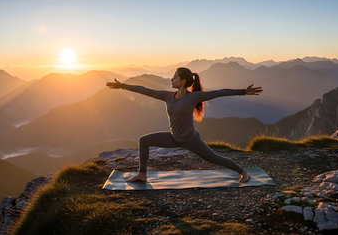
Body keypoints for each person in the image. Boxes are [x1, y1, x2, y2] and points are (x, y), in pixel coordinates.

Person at [106, 67, 263, 183]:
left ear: (182, 81)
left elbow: (219, 92)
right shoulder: (167, 96)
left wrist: (243, 91)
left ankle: (243, 172)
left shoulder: (194, 97)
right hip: (174, 138)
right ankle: (142, 174)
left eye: (174, 77)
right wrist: (123, 86)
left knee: (214, 158)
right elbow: (145, 90)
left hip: (191, 140)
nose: (171, 80)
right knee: (143, 140)